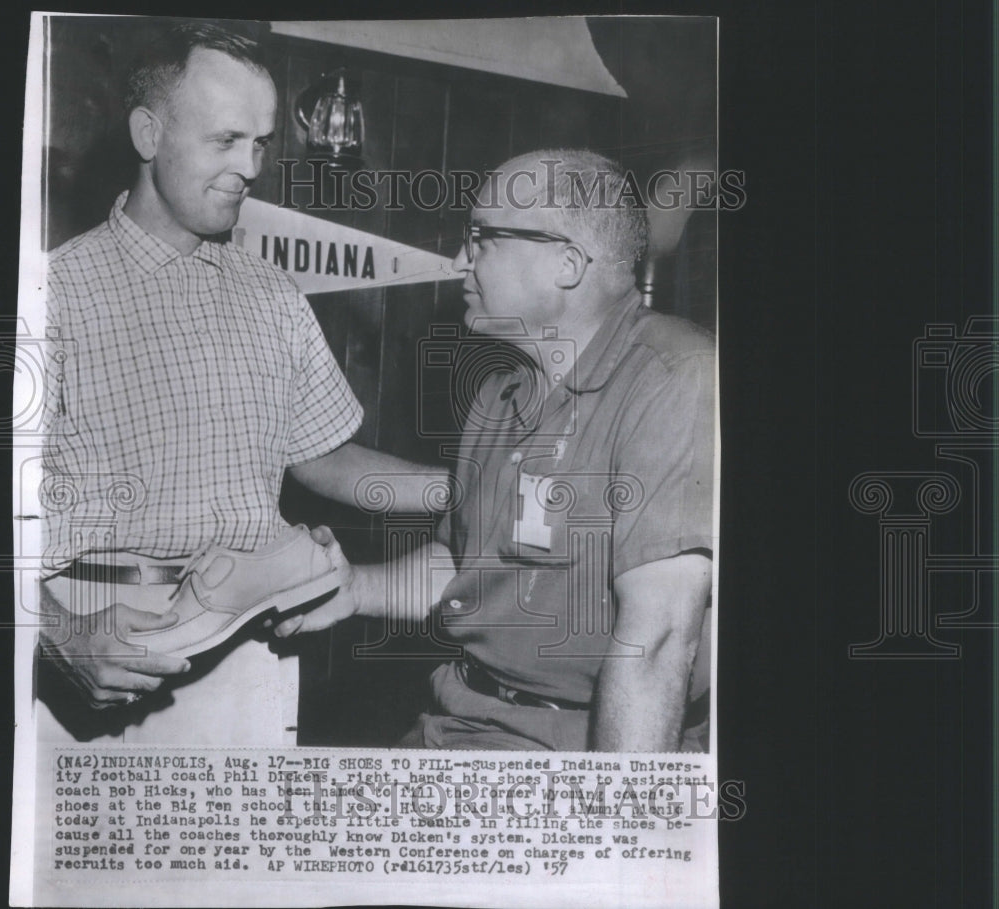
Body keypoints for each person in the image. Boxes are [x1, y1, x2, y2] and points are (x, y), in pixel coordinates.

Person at [37, 22, 441, 745]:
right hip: (96, 637)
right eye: (225, 140)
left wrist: (473, 486)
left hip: (250, 648)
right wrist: (56, 635)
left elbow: (321, 458)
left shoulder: (274, 295)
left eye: (259, 143)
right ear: (147, 133)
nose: (250, 166)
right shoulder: (50, 294)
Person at [276, 149, 715, 752]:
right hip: (459, 718)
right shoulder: (498, 393)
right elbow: (467, 571)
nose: (461, 260)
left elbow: (659, 638)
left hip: (575, 744)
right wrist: (352, 588)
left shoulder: (677, 376)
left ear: (566, 263)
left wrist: (620, 828)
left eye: (483, 237)